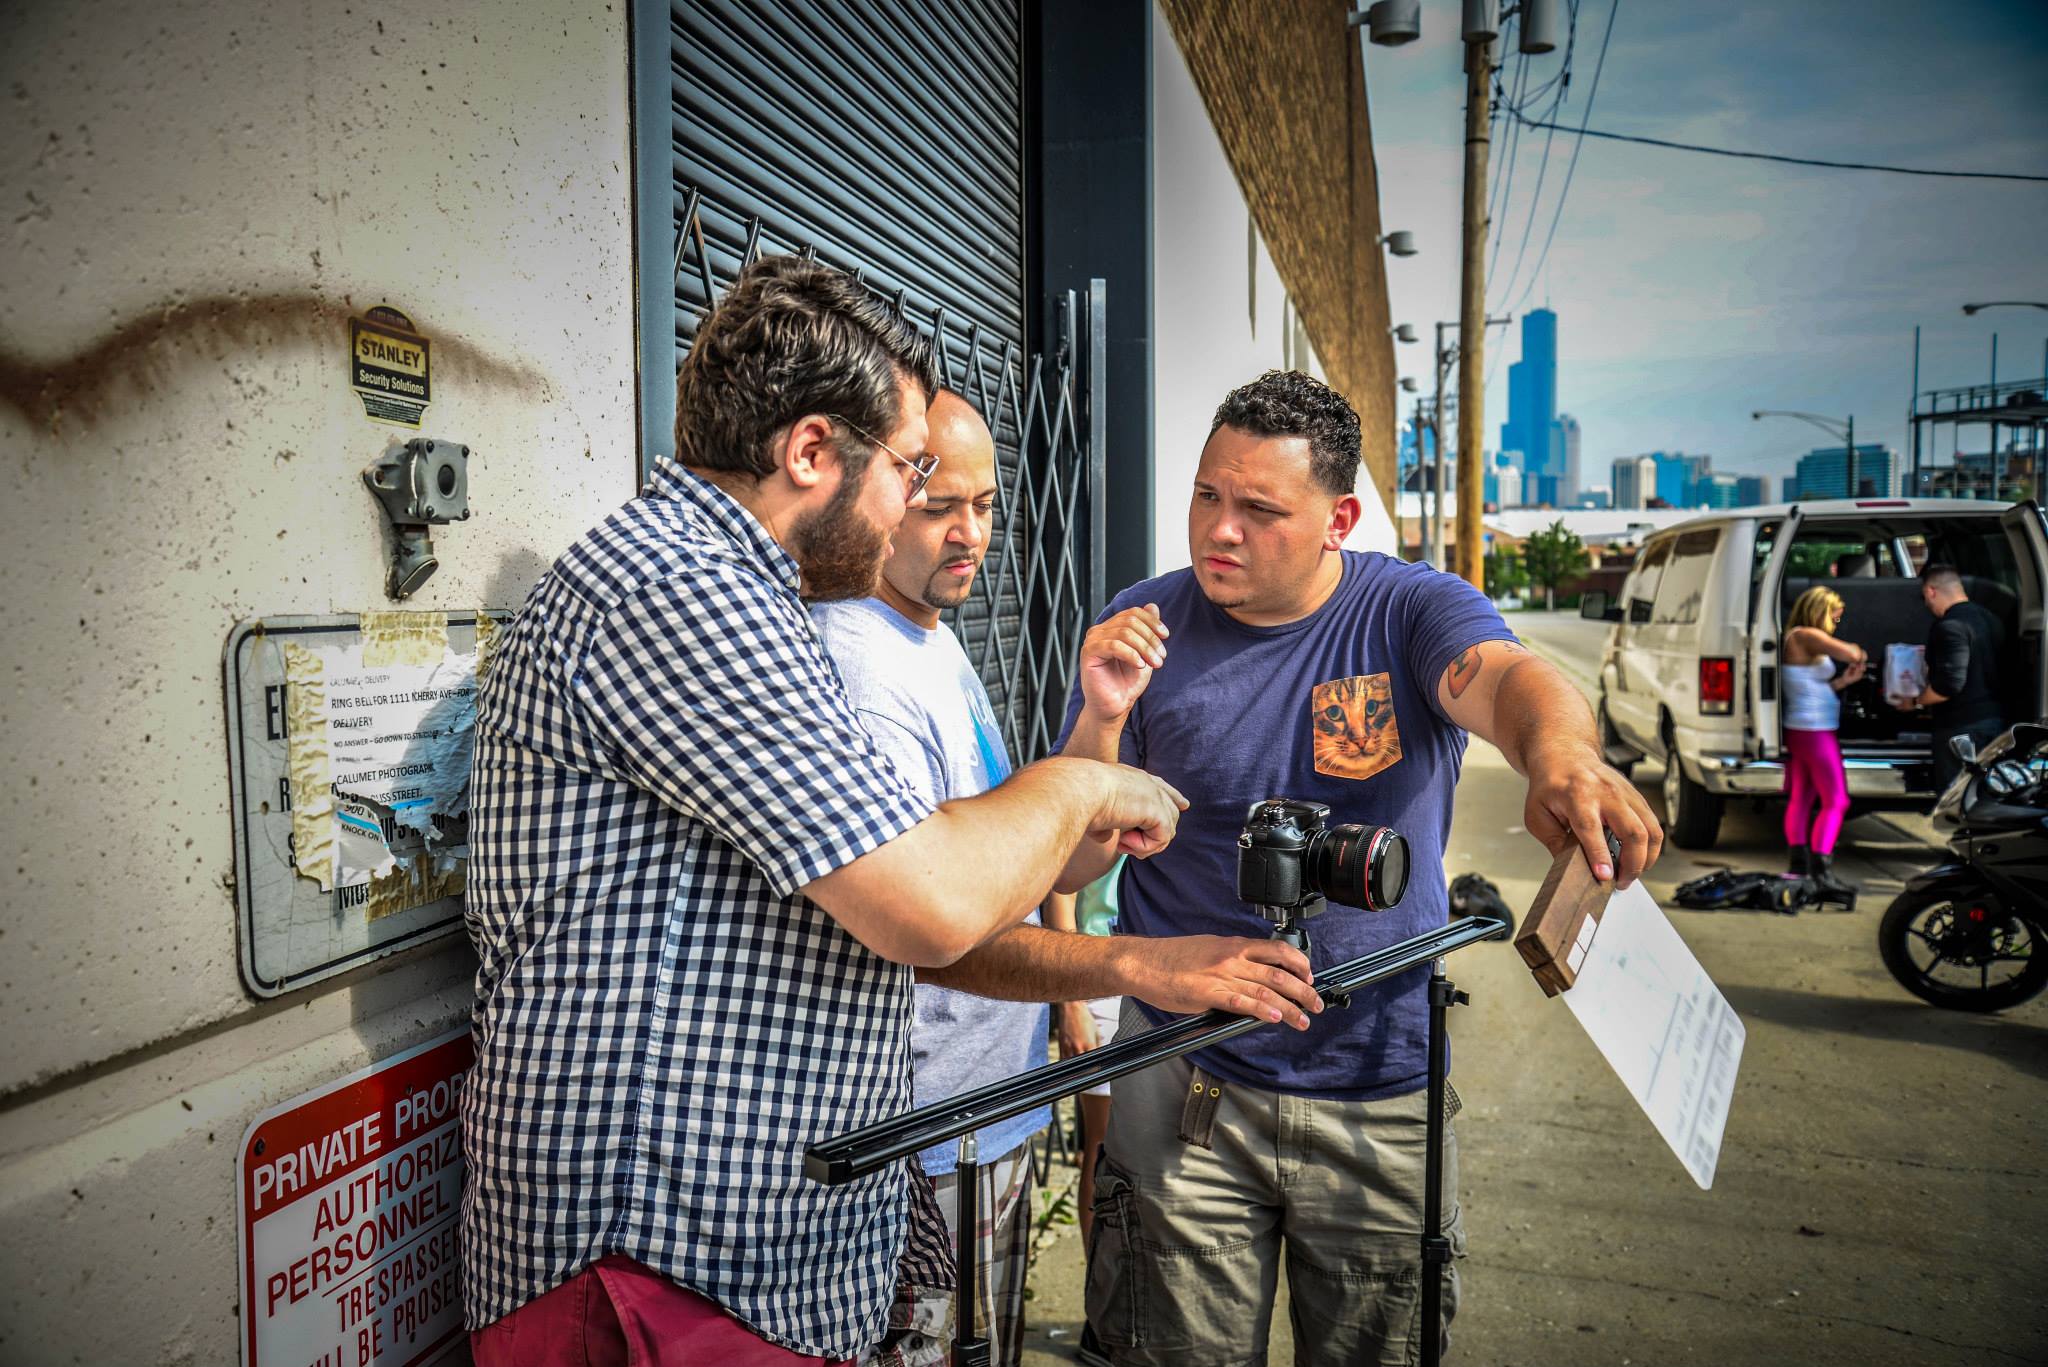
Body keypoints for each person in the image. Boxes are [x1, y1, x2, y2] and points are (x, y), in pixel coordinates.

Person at [458, 255, 1194, 1367]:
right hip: (655, 1262)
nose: (915, 502)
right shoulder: (680, 587)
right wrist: (1087, 780)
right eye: (907, 468)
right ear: (810, 450)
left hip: (731, 1262)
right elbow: (930, 901)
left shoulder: (745, 591)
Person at [925, 370, 1662, 1366]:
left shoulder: (1405, 612)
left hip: (1375, 1083)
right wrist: (1101, 716)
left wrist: (1562, 757)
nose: (1217, 530)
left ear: (1337, 517)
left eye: (1259, 509)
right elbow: (1080, 848)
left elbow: (1510, 680)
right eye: (1204, 495)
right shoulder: (1144, 624)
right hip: (1182, 1075)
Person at [809, 390, 1047, 1367]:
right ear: (877, 490)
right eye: (941, 503)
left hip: (992, 1107)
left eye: (986, 504)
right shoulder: (863, 669)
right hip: (928, 1128)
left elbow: (1012, 862)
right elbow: (934, 933)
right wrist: (1140, 966)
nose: (972, 534)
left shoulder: (929, 633)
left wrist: (1097, 732)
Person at [1779, 586, 1866, 901]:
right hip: (1813, 728)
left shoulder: (1799, 639)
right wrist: (1858, 655)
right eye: (1834, 616)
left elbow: (1813, 683)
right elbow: (1852, 652)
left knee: (1802, 796)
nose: (1835, 623)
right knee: (1836, 800)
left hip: (1806, 725)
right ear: (1820, 610)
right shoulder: (1804, 635)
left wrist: (1844, 682)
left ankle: (1799, 867)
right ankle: (1821, 870)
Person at [1893, 563, 2008, 797]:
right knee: (1984, 795)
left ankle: (1962, 833)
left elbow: (1948, 685)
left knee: (1956, 798)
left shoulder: (1950, 627)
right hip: (1994, 723)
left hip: (1961, 729)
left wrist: (1914, 702)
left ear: (1930, 592)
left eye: (1925, 598)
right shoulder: (1992, 620)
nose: (1927, 605)